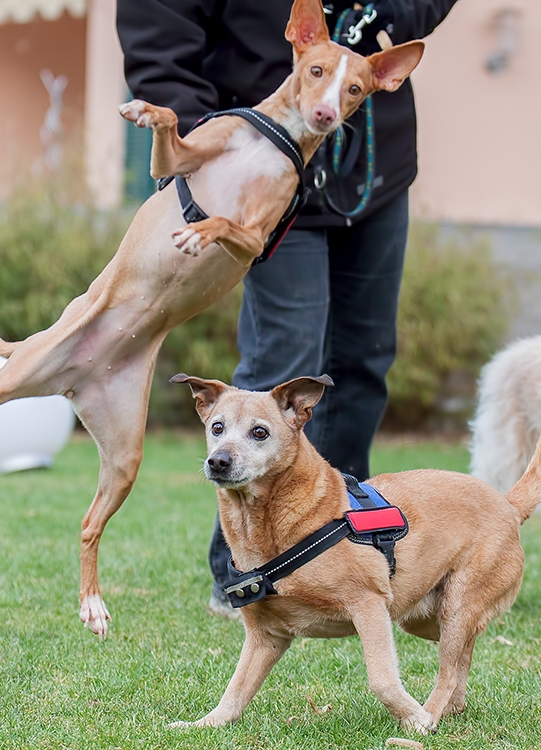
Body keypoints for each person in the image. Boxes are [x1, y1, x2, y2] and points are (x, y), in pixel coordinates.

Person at [117, 0, 458, 617]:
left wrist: (396, 13)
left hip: (375, 176)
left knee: (361, 364)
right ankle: (242, 577)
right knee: (284, 363)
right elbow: (158, 25)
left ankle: (343, 560)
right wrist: (213, 150)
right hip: (259, 167)